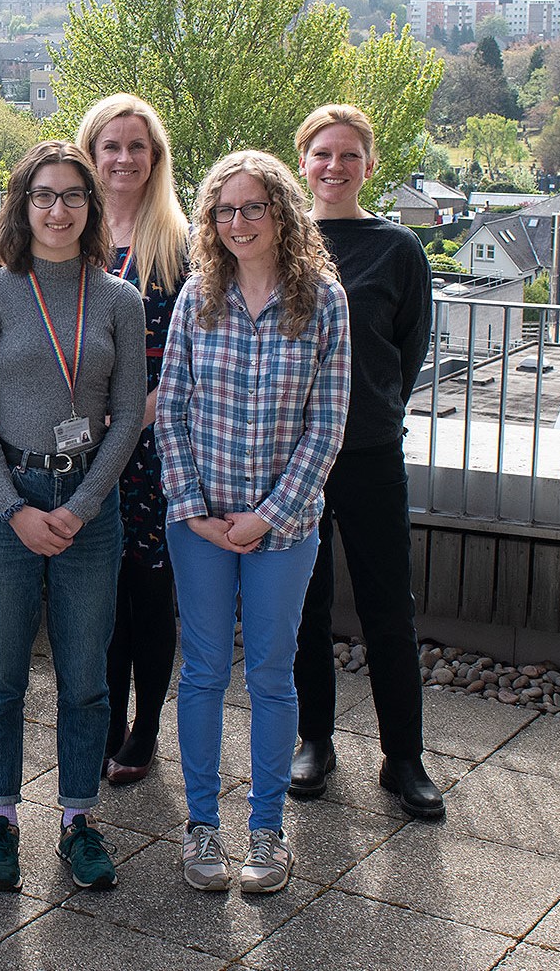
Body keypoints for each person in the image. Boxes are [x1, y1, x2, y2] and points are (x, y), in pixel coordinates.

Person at [156, 149, 351, 895]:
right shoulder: (197, 295)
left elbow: (326, 426)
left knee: (270, 674)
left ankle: (265, 831)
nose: (237, 222)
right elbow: (169, 409)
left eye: (252, 207)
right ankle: (201, 823)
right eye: (223, 210)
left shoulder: (323, 300)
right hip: (198, 522)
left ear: (282, 212)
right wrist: (193, 508)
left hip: (284, 526)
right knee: (202, 670)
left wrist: (265, 517)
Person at [0, 140, 146, 891]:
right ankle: (0, 814)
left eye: (72, 196)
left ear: (91, 208)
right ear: (20, 204)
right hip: (5, 503)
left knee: (86, 678)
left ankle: (76, 819)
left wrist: (83, 504)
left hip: (87, 510)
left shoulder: (118, 299)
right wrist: (12, 506)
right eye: (42, 195)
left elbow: (127, 414)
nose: (57, 209)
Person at [290, 105, 443, 819]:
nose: (333, 166)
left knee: (388, 609)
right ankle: (312, 740)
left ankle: (402, 756)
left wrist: (374, 408)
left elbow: (404, 352)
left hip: (371, 452)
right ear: (302, 163)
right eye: (321, 153)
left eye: (348, 155)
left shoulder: (398, 248)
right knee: (304, 606)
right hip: (292, 458)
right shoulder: (283, 242)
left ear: (368, 166)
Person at [74, 94, 191, 788]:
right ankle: (104, 719)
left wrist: (128, 422)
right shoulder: (65, 241)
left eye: (135, 147)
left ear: (155, 159)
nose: (121, 159)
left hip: (149, 449)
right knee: (97, 593)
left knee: (148, 590)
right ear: (88, 156)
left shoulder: (178, 250)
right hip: (81, 451)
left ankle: (144, 727)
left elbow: (186, 362)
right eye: (108, 146)